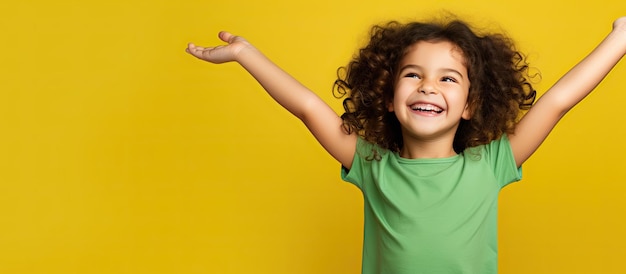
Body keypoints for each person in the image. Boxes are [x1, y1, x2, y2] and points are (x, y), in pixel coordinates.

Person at [186, 15, 626, 274]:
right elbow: (306, 106)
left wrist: (619, 39)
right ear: (388, 97)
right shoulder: (371, 163)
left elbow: (559, 101)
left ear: (471, 104)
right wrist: (248, 56)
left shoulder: (492, 163)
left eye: (447, 78)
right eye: (413, 74)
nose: (428, 87)